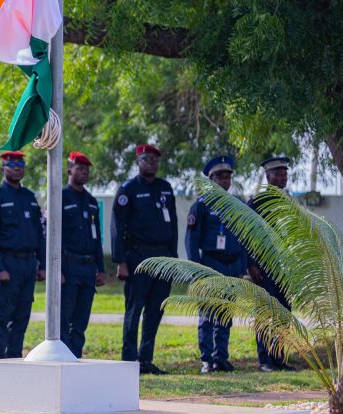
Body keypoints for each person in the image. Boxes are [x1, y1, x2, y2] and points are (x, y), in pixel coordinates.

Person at [113, 144, 178, 375]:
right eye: (147, 159)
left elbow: (173, 225)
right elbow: (117, 226)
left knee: (155, 310)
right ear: (138, 162)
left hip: (163, 258)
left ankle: (146, 359)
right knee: (134, 310)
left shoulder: (165, 188)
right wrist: (121, 261)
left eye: (155, 160)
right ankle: (129, 360)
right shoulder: (128, 189)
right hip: (138, 257)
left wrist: (173, 258)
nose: (151, 163)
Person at [0, 151, 46, 360]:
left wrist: (42, 264)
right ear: (3, 168)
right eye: (12, 165)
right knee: (3, 316)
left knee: (22, 316)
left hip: (28, 264)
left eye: (20, 165)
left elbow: (39, 233)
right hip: (7, 264)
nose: (17, 168)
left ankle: (15, 358)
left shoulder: (29, 197)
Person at [187, 155, 248, 374]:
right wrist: (197, 270)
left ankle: (221, 357)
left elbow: (245, 239)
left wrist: (242, 267)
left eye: (228, 177)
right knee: (207, 314)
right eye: (220, 177)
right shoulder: (201, 205)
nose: (225, 181)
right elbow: (191, 240)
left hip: (232, 266)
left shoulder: (238, 205)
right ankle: (206, 360)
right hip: (210, 264)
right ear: (211, 179)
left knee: (226, 313)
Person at [251, 156, 296, 372]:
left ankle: (279, 358)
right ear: (268, 176)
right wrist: (251, 264)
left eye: (285, 174)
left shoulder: (288, 201)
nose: (283, 177)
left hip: (285, 267)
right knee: (265, 313)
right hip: (264, 267)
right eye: (278, 173)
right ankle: (265, 360)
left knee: (284, 313)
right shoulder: (257, 202)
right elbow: (246, 234)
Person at [60, 152, 105, 358]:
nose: (84, 172)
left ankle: (75, 358)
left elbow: (97, 238)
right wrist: (57, 270)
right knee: (64, 319)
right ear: (69, 170)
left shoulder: (91, 201)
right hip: (69, 266)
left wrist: (101, 269)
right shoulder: (60, 198)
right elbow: (53, 237)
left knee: (80, 321)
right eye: (80, 168)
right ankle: (64, 359)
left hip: (88, 268)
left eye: (87, 169)